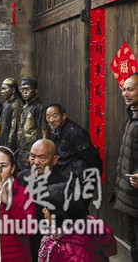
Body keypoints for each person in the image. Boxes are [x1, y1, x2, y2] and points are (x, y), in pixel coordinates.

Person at [17, 139, 74, 261]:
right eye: (32, 156)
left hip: (52, 246)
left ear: (54, 160)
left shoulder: (66, 184)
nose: (36, 162)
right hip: (25, 244)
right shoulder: (21, 177)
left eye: (42, 158)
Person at [38, 190, 117, 262]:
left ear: (58, 212)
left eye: (46, 208)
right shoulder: (63, 233)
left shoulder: (71, 252)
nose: (43, 210)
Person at [112, 72, 138, 260]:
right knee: (134, 244)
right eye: (123, 89)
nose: (125, 93)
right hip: (130, 194)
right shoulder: (132, 114)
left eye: (130, 89)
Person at [46, 103, 102, 179]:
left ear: (63, 116)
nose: (51, 120)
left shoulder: (75, 133)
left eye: (55, 116)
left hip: (78, 179)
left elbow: (93, 159)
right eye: (48, 117)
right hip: (65, 177)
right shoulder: (56, 130)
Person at [17, 77, 49, 171]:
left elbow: (44, 132)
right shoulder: (25, 106)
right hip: (22, 152)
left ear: (35, 90)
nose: (24, 92)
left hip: (33, 154)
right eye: (22, 90)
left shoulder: (39, 107)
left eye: (28, 89)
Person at [0, 78, 23, 152]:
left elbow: (14, 127)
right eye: (1, 89)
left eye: (4, 89)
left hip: (10, 143)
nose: (2, 92)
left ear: (13, 90)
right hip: (3, 139)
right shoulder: (5, 104)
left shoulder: (17, 104)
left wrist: (10, 144)